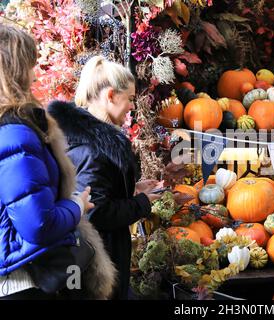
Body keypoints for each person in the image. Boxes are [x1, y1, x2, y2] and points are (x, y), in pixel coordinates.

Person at [0, 24, 113, 299]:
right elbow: (38, 224)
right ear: (15, 69)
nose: (34, 74)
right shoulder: (14, 132)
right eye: (30, 65)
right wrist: (76, 206)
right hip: (21, 281)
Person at [48, 56, 166, 300]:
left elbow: (95, 192)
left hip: (91, 260)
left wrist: (132, 189)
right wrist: (142, 202)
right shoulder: (94, 149)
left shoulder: (84, 139)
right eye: (130, 99)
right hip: (96, 263)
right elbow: (96, 212)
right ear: (111, 95)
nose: (133, 107)